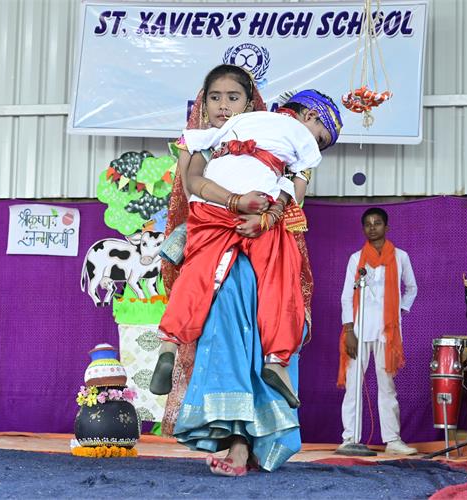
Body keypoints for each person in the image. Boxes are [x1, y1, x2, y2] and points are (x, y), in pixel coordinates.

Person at [156, 65, 328, 476]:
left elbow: (292, 198)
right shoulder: (203, 143)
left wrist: (265, 218)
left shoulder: (280, 143)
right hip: (216, 245)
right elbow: (193, 186)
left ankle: (245, 442)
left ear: (249, 103)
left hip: (260, 247)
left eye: (232, 98)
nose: (222, 106)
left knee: (257, 335)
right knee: (224, 340)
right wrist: (235, 203)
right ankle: (234, 441)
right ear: (203, 103)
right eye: (214, 98)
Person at [336, 207, 419, 455]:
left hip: (387, 333)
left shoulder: (401, 257)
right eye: (368, 224)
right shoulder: (356, 259)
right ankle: (349, 438)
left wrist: (397, 312)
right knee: (353, 386)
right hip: (359, 331)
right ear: (363, 229)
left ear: (387, 227)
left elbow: (412, 288)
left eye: (377, 223)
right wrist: (349, 330)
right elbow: (346, 296)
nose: (373, 227)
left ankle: (393, 441)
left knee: (387, 387)